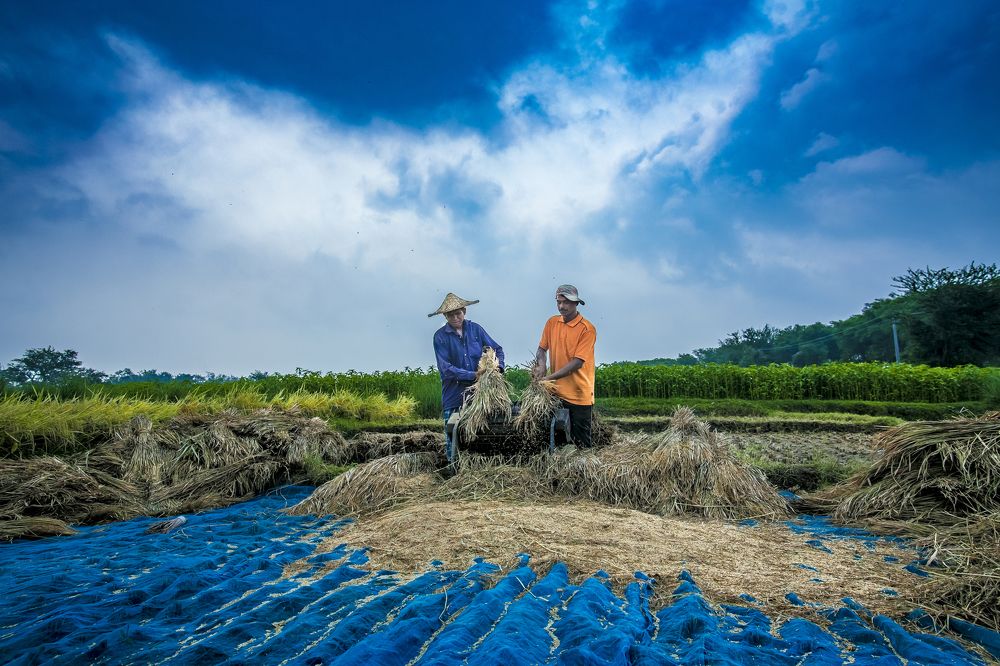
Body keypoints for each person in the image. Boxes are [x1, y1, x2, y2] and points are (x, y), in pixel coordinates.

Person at [429, 292, 505, 463]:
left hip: (479, 397)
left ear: (464, 311)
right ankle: (453, 470)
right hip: (454, 396)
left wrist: (497, 369)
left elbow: (497, 349)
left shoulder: (476, 329)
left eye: (458, 313)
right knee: (453, 437)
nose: (455, 317)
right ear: (445, 316)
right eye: (450, 315)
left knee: (481, 437)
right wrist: (474, 375)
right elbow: (446, 369)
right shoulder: (440, 337)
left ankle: (479, 467)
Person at [533, 284, 596, 447]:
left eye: (566, 302)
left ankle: (582, 472)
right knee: (558, 440)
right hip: (555, 394)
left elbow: (577, 363)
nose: (562, 306)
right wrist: (541, 364)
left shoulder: (587, 329)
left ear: (576, 303)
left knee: (581, 443)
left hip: (578, 395)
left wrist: (548, 378)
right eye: (559, 302)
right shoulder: (552, 323)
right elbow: (541, 349)